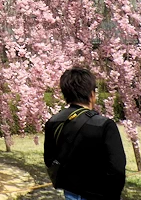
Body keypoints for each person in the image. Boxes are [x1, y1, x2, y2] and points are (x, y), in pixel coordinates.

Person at [44, 67, 126, 200]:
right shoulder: (104, 125)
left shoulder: (53, 122)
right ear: (91, 94)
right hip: (99, 194)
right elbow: (117, 168)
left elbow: (49, 160)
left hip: (70, 192)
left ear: (66, 95)